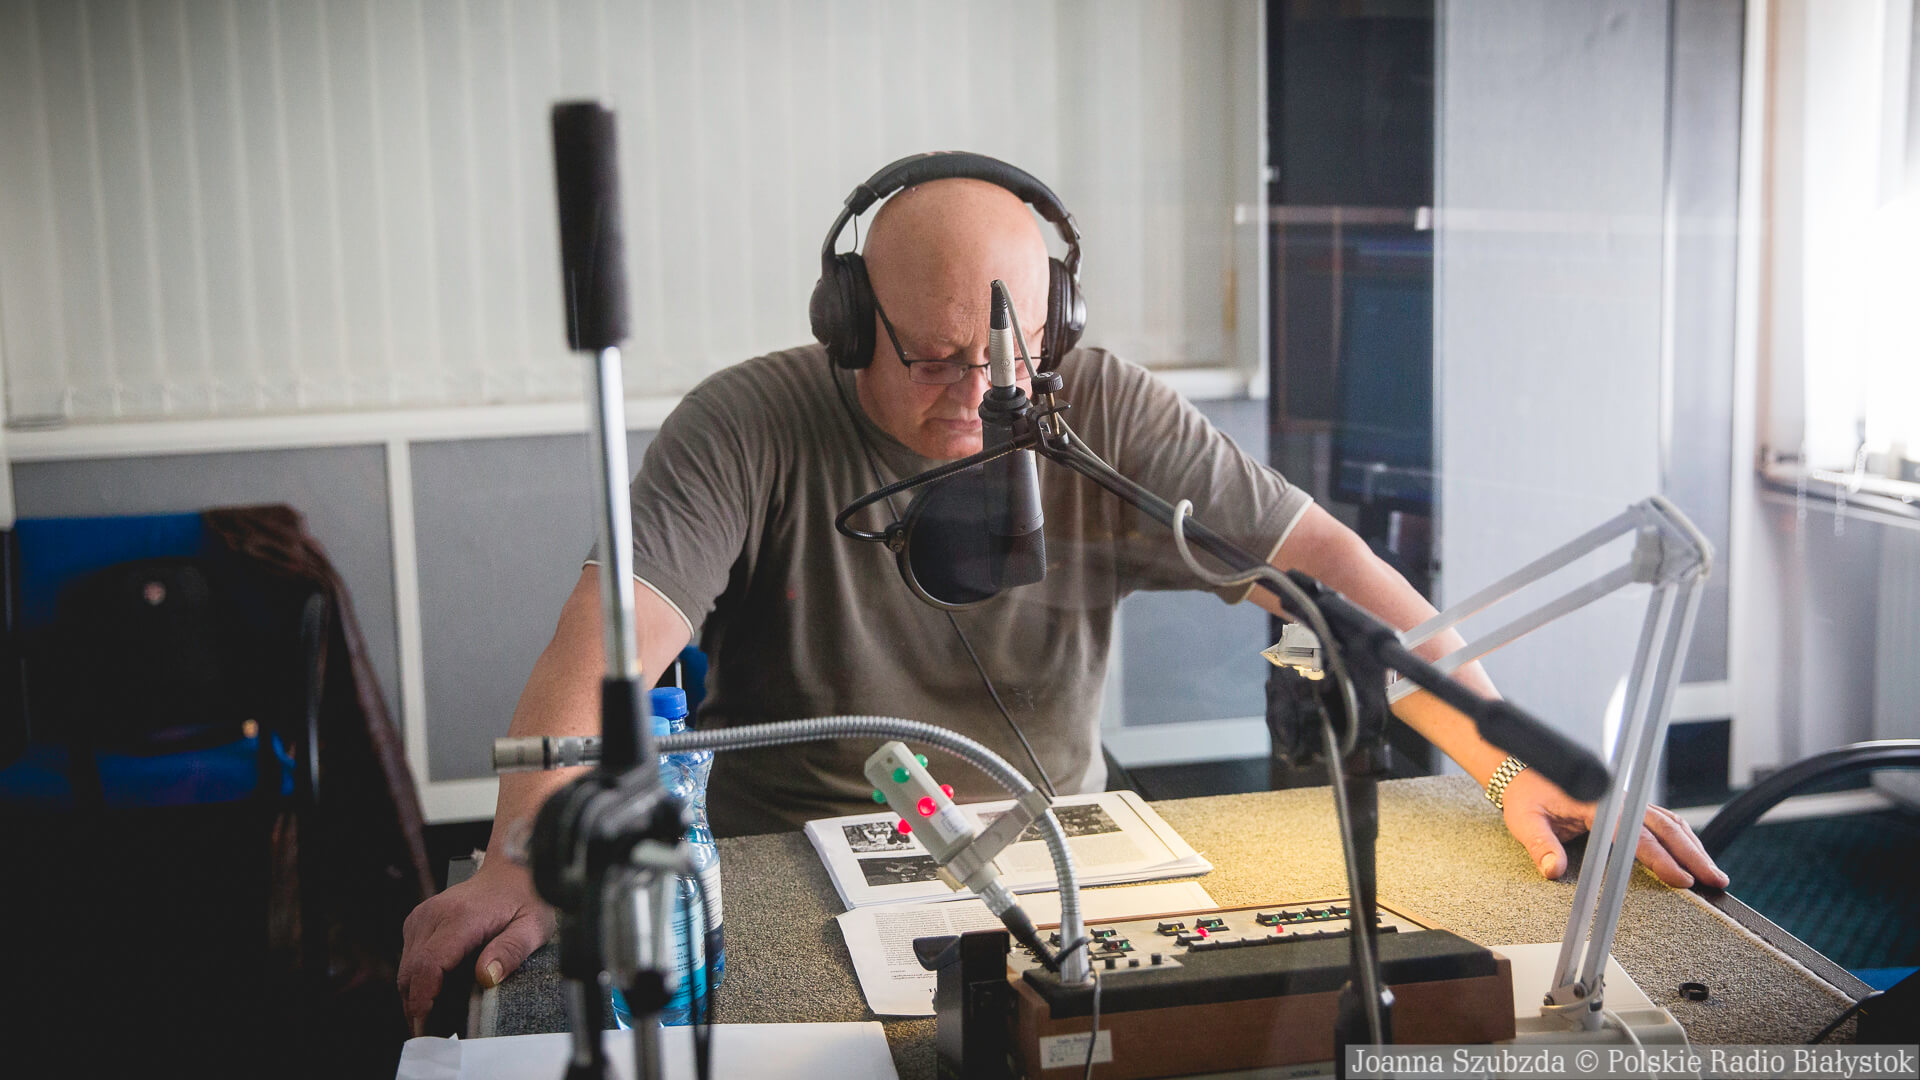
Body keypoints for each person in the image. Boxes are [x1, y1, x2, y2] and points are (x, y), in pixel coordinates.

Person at [398, 159, 1727, 1032]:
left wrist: (1510, 763)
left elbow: (1334, 580)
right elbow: (609, 643)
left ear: (1058, 324)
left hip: (1065, 863)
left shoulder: (1091, 409)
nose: (978, 398)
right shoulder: (744, 425)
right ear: (848, 323)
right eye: (934, 359)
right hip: (795, 877)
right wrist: (524, 848)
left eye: (1011, 356)